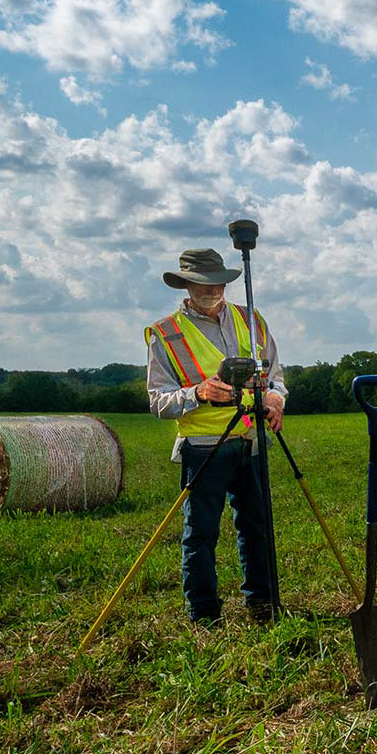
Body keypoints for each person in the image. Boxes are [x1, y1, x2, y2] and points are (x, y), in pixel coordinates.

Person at [145, 247, 287, 624]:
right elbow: (158, 402)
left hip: (252, 440)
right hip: (204, 448)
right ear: (186, 286)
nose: (212, 290)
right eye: (202, 283)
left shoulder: (251, 319)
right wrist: (198, 393)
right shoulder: (166, 334)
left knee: (257, 527)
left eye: (218, 282)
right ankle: (204, 614)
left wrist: (275, 395)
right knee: (200, 534)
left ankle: (263, 603)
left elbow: (275, 375)